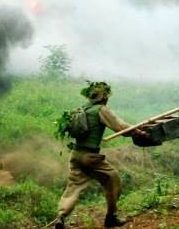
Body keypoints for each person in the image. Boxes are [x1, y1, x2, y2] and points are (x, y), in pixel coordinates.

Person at [54, 81, 144, 229]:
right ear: (104, 97)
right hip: (91, 157)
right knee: (113, 179)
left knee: (73, 186)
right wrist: (138, 131)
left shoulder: (81, 109)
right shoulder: (101, 110)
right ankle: (111, 217)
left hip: (76, 154)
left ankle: (61, 217)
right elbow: (120, 127)